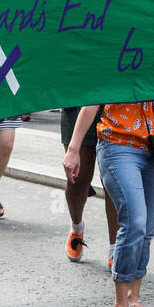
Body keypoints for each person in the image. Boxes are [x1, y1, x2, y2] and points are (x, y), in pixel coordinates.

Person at [64, 102, 154, 307]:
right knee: (134, 223)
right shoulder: (114, 64)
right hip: (118, 144)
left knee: (148, 229)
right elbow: (92, 101)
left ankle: (134, 298)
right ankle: (121, 306)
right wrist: (73, 149)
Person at [59, 105, 119, 263]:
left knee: (114, 181)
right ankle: (76, 227)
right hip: (79, 98)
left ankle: (116, 247)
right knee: (78, 178)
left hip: (113, 102)